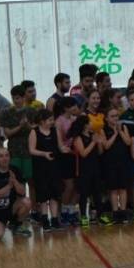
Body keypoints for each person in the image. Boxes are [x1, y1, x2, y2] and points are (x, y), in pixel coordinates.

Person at [0, 85, 39, 200]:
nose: (16, 101)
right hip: (14, 151)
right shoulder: (7, 112)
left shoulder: (31, 111)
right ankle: (21, 207)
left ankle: (34, 208)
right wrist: (20, 126)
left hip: (29, 150)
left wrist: (27, 125)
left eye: (18, 98)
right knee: (16, 180)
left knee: (32, 181)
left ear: (23, 98)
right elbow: (7, 133)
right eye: (14, 98)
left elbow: (35, 129)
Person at [0, 147, 33, 238]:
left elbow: (22, 192)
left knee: (27, 202)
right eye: (1, 156)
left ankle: (17, 225)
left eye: (7, 156)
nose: (4, 158)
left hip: (10, 208)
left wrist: (14, 181)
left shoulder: (15, 170)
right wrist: (9, 186)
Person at [28, 108, 63, 230]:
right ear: (42, 121)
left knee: (54, 193)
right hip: (41, 167)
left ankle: (54, 218)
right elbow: (31, 150)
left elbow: (60, 146)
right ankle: (44, 218)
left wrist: (66, 149)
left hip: (54, 166)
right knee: (43, 195)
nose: (52, 122)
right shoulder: (34, 132)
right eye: (50, 120)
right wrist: (44, 154)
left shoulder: (55, 131)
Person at [99, 108, 132, 224]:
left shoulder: (123, 127)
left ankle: (123, 212)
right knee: (113, 189)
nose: (115, 118)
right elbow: (106, 146)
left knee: (123, 188)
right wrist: (115, 134)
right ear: (107, 118)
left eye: (117, 116)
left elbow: (128, 142)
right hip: (110, 163)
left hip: (123, 161)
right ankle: (115, 212)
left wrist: (120, 131)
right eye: (112, 116)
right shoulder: (103, 130)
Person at [72, 115, 105, 225]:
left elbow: (100, 153)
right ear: (85, 124)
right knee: (84, 193)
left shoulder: (93, 135)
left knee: (97, 193)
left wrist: (99, 143)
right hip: (84, 169)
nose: (92, 123)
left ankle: (100, 215)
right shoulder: (78, 138)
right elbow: (83, 153)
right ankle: (83, 216)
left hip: (96, 167)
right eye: (90, 122)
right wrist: (93, 142)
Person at [54, 96, 80, 224]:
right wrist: (71, 150)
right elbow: (60, 146)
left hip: (76, 155)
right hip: (66, 157)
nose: (76, 108)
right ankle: (64, 211)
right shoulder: (59, 121)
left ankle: (71, 210)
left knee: (78, 185)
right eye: (73, 106)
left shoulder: (76, 119)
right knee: (69, 186)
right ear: (66, 108)